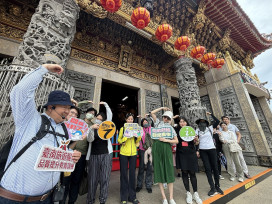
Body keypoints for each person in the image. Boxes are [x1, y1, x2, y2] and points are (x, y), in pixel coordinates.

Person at [0, 64, 81, 203]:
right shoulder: (30, 119)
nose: (68, 112)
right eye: (64, 107)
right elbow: (19, 92)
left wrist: (71, 154)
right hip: (15, 199)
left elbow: (57, 152)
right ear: (51, 107)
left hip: (46, 198)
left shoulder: (63, 129)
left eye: (69, 108)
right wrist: (44, 69)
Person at [86, 102, 113, 204]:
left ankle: (103, 200)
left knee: (105, 178)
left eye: (101, 118)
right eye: (98, 117)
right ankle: (90, 200)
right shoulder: (92, 127)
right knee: (92, 180)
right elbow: (89, 140)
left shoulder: (107, 127)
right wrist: (91, 129)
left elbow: (110, 115)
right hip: (93, 155)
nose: (99, 119)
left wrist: (106, 105)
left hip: (106, 155)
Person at [150, 107, 178, 204]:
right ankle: (164, 197)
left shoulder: (171, 128)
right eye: (164, 117)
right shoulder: (157, 123)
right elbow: (152, 112)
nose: (165, 119)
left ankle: (171, 197)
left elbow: (176, 141)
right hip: (157, 147)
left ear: (170, 120)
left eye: (168, 118)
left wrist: (167, 140)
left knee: (169, 170)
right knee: (158, 170)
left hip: (166, 147)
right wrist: (162, 108)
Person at [175, 117, 202, 204]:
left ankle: (195, 193)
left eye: (183, 121)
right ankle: (188, 193)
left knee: (192, 173)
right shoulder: (177, 132)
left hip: (191, 153)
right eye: (180, 122)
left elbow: (196, 143)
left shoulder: (191, 131)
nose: (182, 123)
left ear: (186, 122)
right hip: (181, 154)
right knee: (184, 173)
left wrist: (196, 139)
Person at [195, 112, 223, 197]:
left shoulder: (210, 128)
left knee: (215, 167)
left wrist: (210, 114)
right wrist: (197, 150)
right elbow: (196, 141)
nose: (202, 123)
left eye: (203, 122)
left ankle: (217, 186)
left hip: (212, 149)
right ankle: (212, 187)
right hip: (203, 150)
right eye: (200, 122)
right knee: (207, 169)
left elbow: (218, 121)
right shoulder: (197, 130)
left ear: (206, 123)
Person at [60, 106, 84, 204]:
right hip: (60, 159)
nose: (73, 115)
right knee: (63, 183)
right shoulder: (59, 125)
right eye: (72, 112)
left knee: (75, 181)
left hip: (74, 157)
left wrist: (78, 139)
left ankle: (71, 201)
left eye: (76, 115)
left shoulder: (77, 128)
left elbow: (69, 146)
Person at [118, 113, 141, 204]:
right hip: (123, 153)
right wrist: (124, 139)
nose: (130, 121)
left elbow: (138, 139)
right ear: (126, 120)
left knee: (132, 175)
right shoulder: (122, 129)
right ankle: (123, 197)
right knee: (123, 175)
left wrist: (137, 135)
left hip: (133, 153)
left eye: (132, 119)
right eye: (129, 119)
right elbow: (119, 139)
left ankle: (132, 197)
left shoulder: (136, 128)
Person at [136, 118, 153, 194]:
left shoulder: (152, 129)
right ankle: (139, 185)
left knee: (150, 168)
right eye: (143, 122)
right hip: (142, 150)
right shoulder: (140, 129)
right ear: (142, 124)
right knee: (141, 167)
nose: (145, 122)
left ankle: (148, 185)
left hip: (151, 150)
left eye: (146, 121)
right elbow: (137, 137)